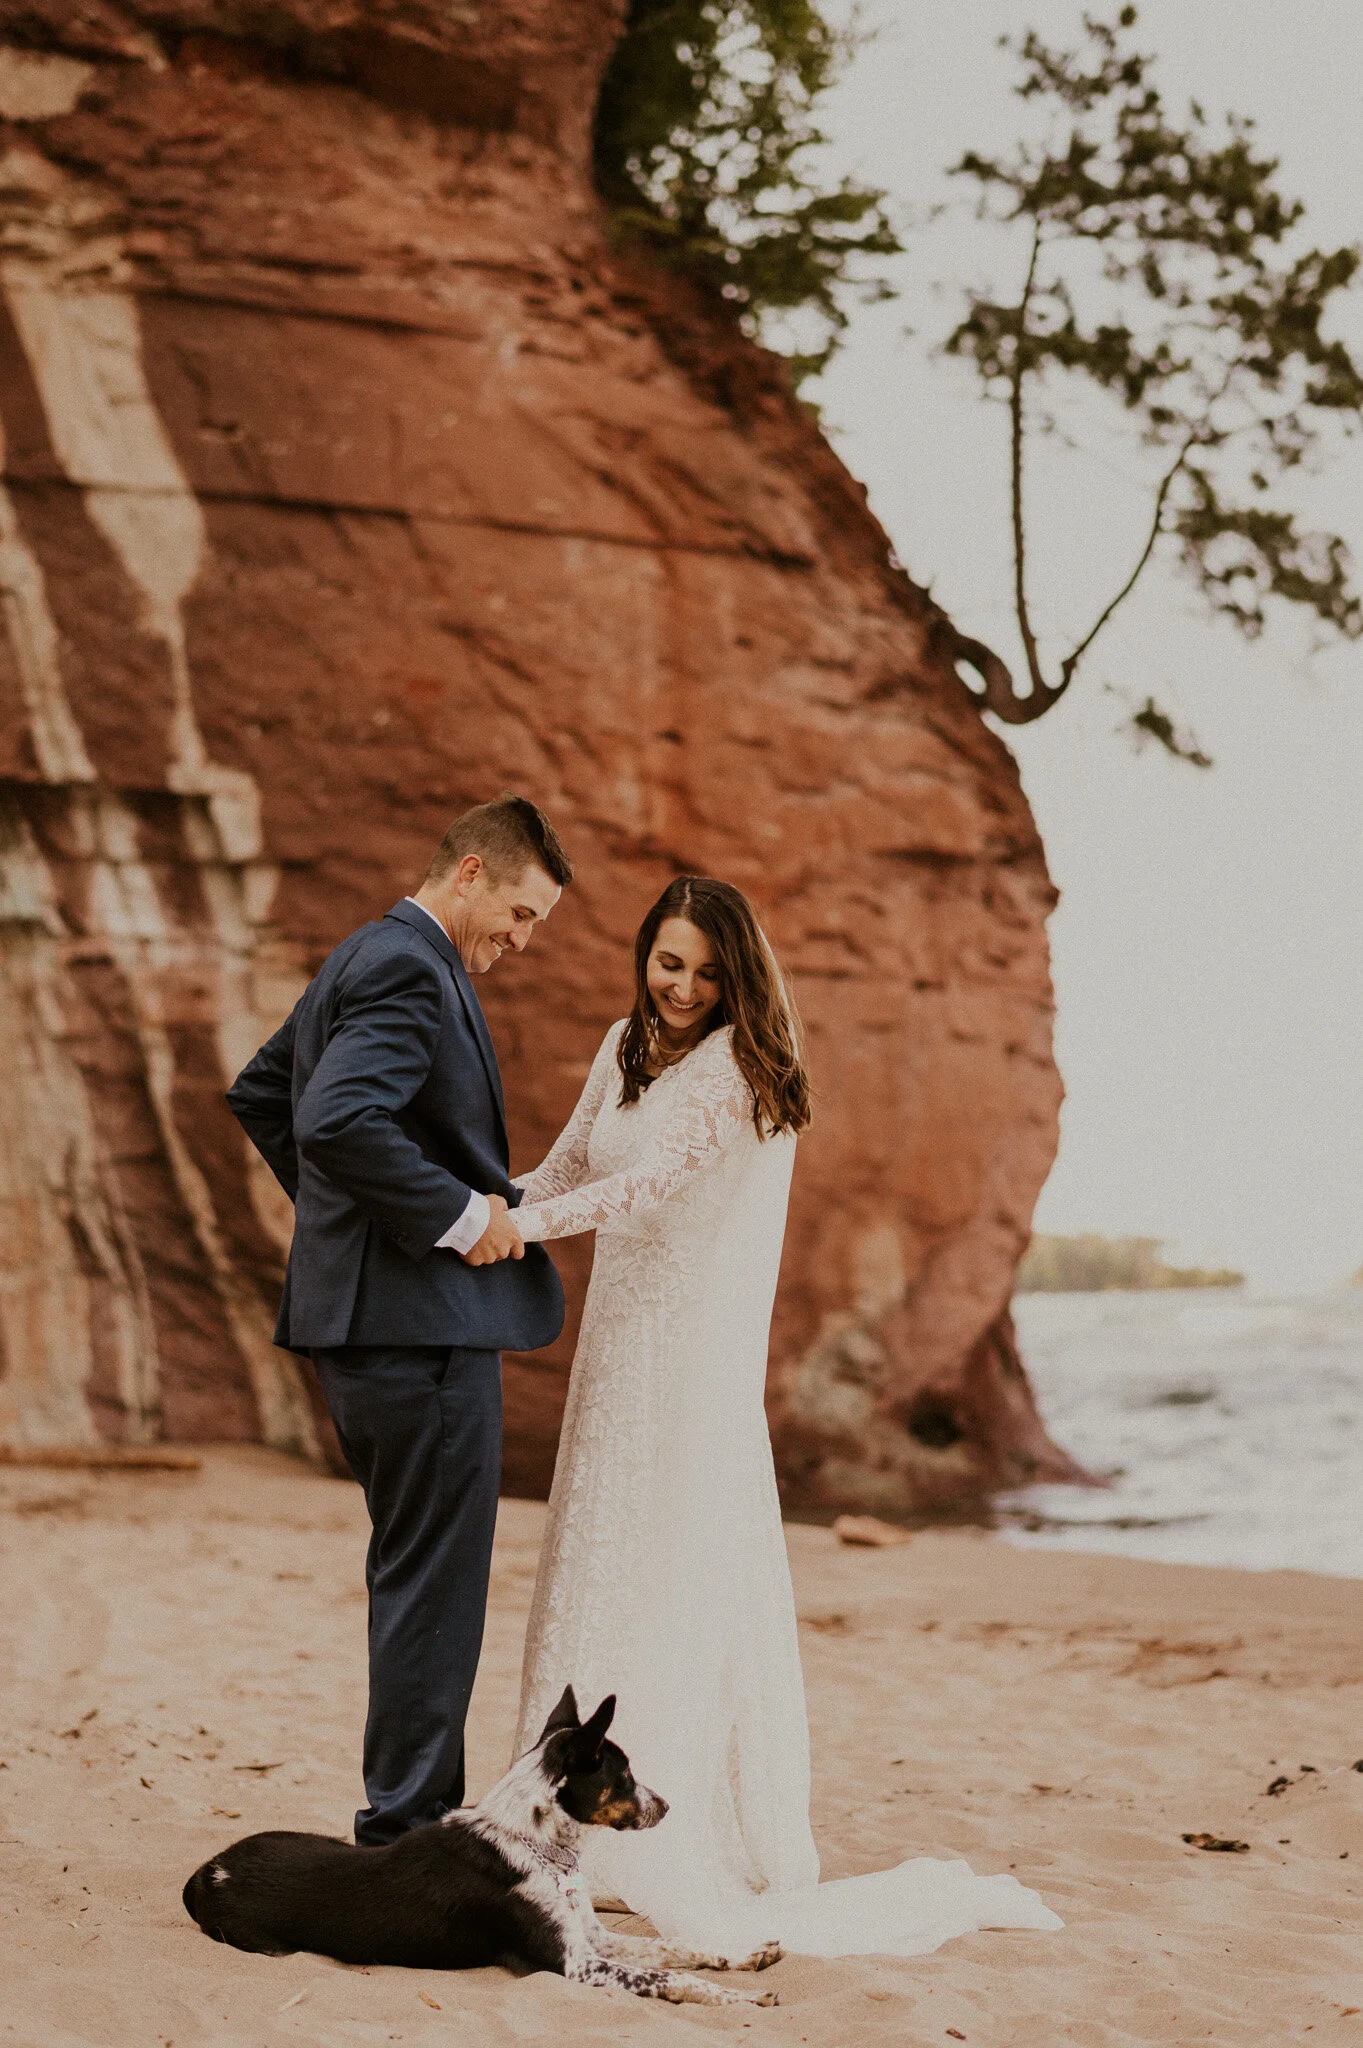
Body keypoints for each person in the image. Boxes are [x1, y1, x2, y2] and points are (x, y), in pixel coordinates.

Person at [506, 875, 1062, 1958]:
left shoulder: (730, 1073)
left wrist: (518, 1231)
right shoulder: (622, 1041)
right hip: (613, 1356)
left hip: (681, 1366)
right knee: (590, 1557)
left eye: (708, 972)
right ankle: (551, 1808)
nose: (682, 988)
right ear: (644, 954)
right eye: (669, 962)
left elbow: (645, 1189)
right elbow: (573, 1162)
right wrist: (488, 1199)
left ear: (738, 977)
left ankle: (639, 1825)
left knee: (658, 1568)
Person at [226, 794, 570, 1846]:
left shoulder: (362, 954)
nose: (521, 938)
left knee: (413, 1569)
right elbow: (332, 1117)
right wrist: (457, 1217)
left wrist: (351, 1228)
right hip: (418, 1333)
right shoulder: (409, 967)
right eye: (518, 912)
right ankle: (411, 1831)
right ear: (468, 872)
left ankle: (407, 1810)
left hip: (375, 1321)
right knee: (436, 1581)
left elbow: (262, 1092)